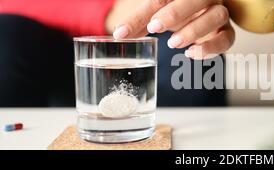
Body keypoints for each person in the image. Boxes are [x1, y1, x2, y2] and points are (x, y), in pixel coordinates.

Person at [0, 0, 235, 107]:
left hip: (151, 34)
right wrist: (109, 10)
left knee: (190, 57)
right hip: (40, 47)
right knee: (7, 42)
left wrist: (202, 8)